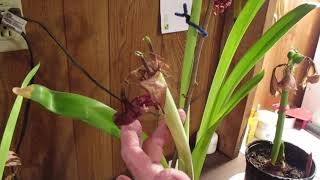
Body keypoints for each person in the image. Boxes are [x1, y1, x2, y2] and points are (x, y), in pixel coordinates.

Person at [117, 109, 190, 180]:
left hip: (144, 169)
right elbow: (168, 174)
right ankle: (173, 123)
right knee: (156, 142)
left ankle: (129, 128)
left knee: (131, 150)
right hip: (155, 167)